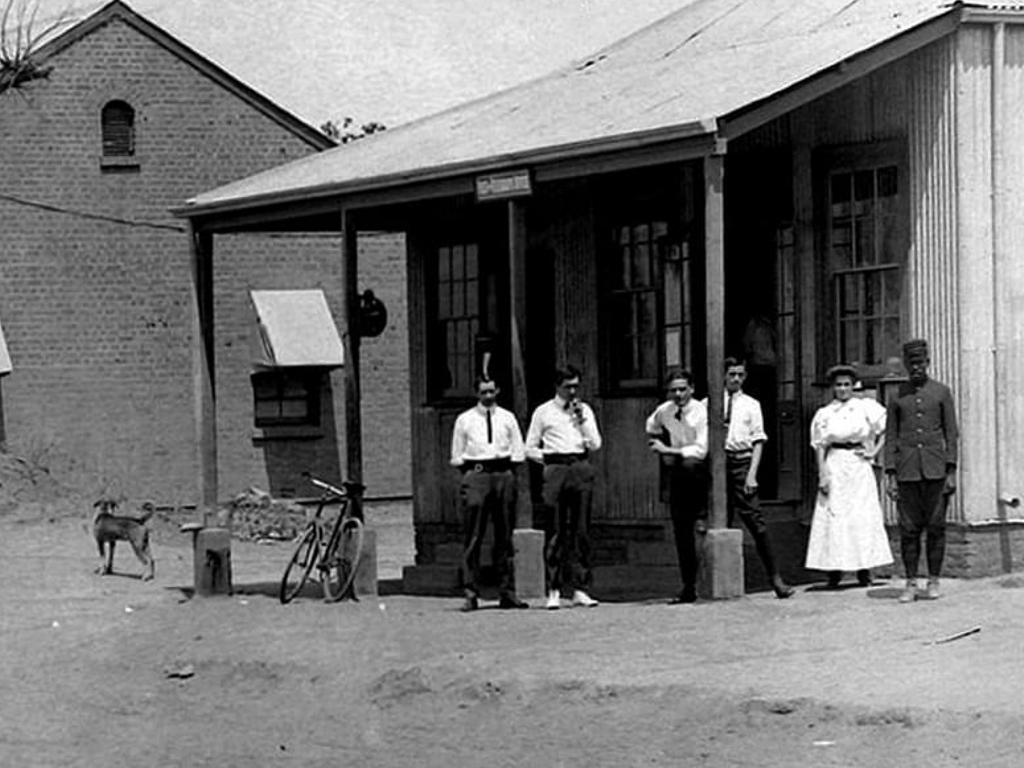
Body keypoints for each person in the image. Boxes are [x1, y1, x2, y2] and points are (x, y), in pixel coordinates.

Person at [884, 339, 958, 603]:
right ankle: (911, 582)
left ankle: (934, 580)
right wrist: (891, 475)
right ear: (906, 365)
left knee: (936, 527)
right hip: (907, 472)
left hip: (936, 471)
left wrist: (951, 470)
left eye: (920, 363)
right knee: (908, 530)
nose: (916, 368)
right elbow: (891, 436)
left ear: (928, 363)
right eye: (912, 363)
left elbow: (951, 433)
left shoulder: (941, 392)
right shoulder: (897, 395)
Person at [805, 364, 893, 587]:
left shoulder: (865, 407)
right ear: (833, 387)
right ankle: (834, 571)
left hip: (858, 465)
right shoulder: (825, 413)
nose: (843, 389)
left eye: (846, 384)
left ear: (853, 386)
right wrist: (822, 474)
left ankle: (864, 569)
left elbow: (888, 428)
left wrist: (874, 451)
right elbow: (820, 446)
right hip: (835, 463)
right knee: (834, 516)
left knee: (860, 516)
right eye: (838, 385)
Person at [525, 365, 602, 610]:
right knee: (555, 530)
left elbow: (596, 443)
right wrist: (549, 459)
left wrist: (582, 421)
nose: (572, 391)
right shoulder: (543, 412)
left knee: (581, 530)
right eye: (568, 386)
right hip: (556, 468)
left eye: (576, 386)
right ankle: (554, 588)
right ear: (557, 386)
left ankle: (581, 588)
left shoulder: (584, 410)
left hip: (579, 465)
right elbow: (529, 447)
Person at [717, 358, 794, 599]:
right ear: (723, 375)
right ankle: (716, 583)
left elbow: (758, 441)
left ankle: (776, 579)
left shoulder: (751, 404)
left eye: (740, 374)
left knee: (756, 523)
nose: (736, 379)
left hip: (742, 463)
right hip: (718, 466)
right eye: (731, 374)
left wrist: (751, 475)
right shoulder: (709, 404)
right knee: (717, 522)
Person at [450, 375, 527, 612]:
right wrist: (472, 474)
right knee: (473, 535)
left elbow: (518, 449)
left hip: (503, 473)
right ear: (477, 393)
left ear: (498, 391)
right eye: (484, 392)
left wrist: (508, 471)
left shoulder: (507, 417)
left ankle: (507, 592)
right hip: (477, 474)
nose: (488, 396)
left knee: (505, 535)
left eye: (492, 391)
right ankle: (471, 593)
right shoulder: (465, 419)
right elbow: (457, 454)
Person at [645, 369, 707, 604]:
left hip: (699, 471)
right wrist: (661, 447)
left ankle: (702, 512)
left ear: (692, 389)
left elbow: (700, 450)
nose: (678, 394)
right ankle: (688, 586)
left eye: (683, 389)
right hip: (678, 473)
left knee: (690, 464)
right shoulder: (665, 410)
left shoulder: (701, 412)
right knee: (681, 531)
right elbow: (650, 426)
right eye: (673, 390)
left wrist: (669, 451)